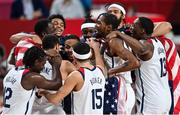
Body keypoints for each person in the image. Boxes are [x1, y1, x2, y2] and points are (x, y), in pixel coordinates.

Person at [106, 3, 173, 113]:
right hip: (163, 95)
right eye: (110, 12)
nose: (132, 28)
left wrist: (120, 34)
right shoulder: (157, 42)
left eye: (134, 26)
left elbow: (141, 52)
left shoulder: (144, 44)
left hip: (151, 98)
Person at [39, 42, 106, 114]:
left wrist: (44, 92)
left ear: (73, 56)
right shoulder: (101, 70)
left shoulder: (76, 75)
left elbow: (55, 99)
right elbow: (99, 62)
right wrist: (96, 49)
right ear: (90, 54)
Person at [96, 13, 140, 114]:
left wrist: (112, 71)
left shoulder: (114, 41)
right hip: (115, 87)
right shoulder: (107, 39)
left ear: (109, 27)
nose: (96, 25)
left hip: (121, 88)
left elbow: (135, 63)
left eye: (99, 23)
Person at [2, 46, 62, 114]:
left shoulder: (11, 71)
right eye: (43, 64)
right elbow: (57, 84)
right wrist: (55, 65)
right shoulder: (31, 77)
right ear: (36, 62)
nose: (43, 68)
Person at [32, 34, 76, 114]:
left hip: (33, 110)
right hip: (54, 110)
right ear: (57, 46)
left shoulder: (34, 63)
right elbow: (82, 81)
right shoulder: (65, 64)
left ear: (42, 47)